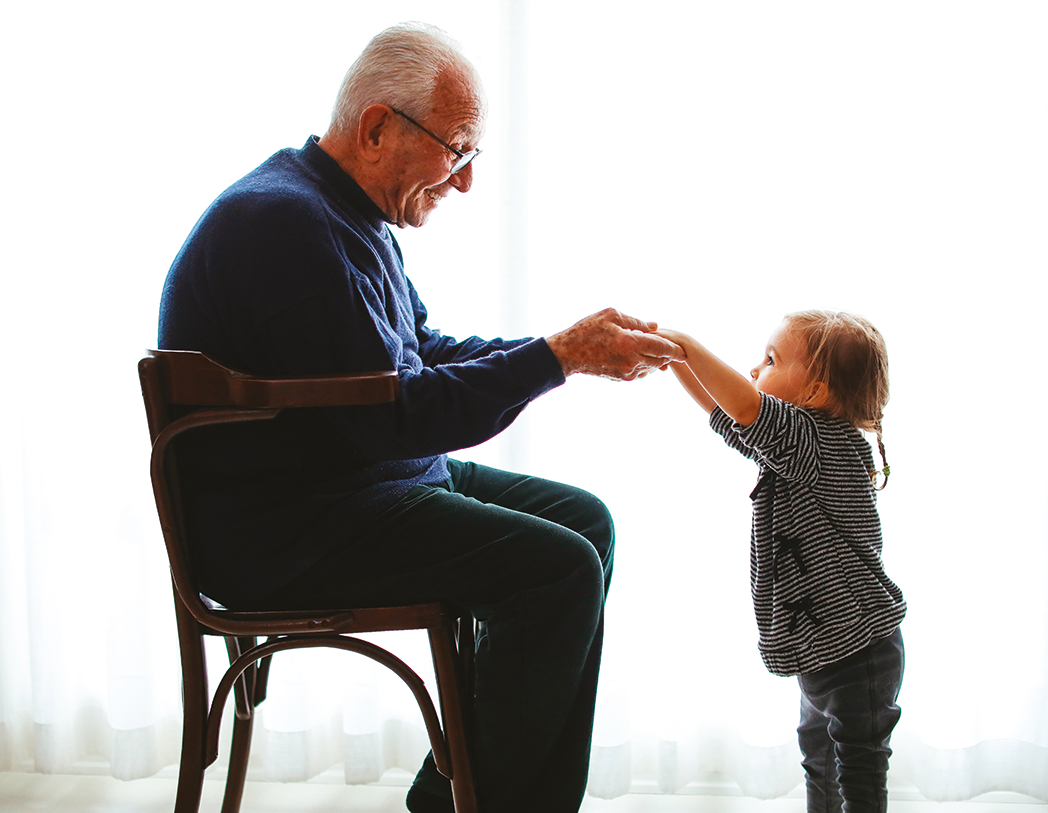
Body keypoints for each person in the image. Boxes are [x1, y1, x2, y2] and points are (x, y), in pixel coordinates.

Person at [158, 21, 682, 813]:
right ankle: (457, 801)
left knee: (587, 524)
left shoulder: (339, 212)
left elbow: (421, 352)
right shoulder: (286, 226)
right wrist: (559, 356)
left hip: (354, 487)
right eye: (458, 148)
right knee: (559, 570)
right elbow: (396, 416)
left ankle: (483, 793)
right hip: (294, 530)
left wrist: (566, 346)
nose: (466, 180)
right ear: (376, 128)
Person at [657, 311, 906, 813]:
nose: (754, 369)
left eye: (771, 359)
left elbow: (746, 408)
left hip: (861, 652)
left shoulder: (824, 444)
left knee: (858, 773)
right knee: (819, 761)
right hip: (823, 653)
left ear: (813, 393)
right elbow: (724, 412)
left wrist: (687, 341)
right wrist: (675, 358)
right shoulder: (792, 446)